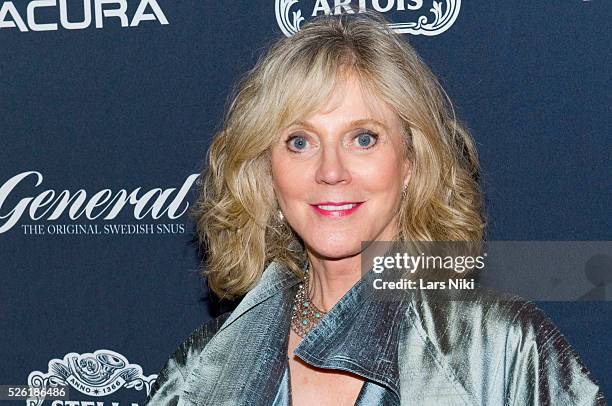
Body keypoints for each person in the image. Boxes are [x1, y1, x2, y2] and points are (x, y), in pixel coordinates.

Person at [145, 13, 606, 406]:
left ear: (410, 162)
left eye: (363, 138)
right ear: (267, 172)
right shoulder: (200, 373)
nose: (331, 171)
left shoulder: (499, 349)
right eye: (299, 142)